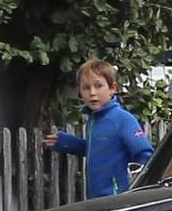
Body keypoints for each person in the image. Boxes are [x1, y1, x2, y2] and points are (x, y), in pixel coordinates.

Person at [45, 58, 153, 197]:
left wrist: (137, 190)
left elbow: (145, 155)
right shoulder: (93, 120)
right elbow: (98, 148)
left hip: (117, 199)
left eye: (98, 86)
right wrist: (67, 143)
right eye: (86, 87)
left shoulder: (123, 119)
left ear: (112, 88)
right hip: (95, 198)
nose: (92, 93)